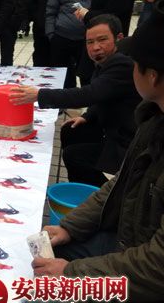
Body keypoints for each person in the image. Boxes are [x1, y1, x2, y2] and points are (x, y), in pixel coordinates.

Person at [22, 0, 164, 303]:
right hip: (133, 242)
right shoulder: (157, 118)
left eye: (135, 62)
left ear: (152, 76)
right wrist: (70, 228)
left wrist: (73, 274)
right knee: (48, 254)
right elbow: (119, 185)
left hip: (161, 295)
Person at [11, 14, 140, 187]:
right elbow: (104, 95)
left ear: (119, 38)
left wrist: (39, 95)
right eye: (90, 42)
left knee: (74, 156)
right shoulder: (107, 62)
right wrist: (86, 116)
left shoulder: (122, 64)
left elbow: (88, 94)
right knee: (71, 129)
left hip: (125, 142)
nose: (95, 47)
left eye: (102, 40)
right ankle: (81, 184)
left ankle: (107, 193)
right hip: (110, 127)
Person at [45, 0, 96, 88]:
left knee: (87, 75)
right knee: (64, 76)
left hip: (86, 38)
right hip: (62, 37)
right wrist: (51, 34)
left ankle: (88, 98)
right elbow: (50, 12)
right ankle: (67, 99)